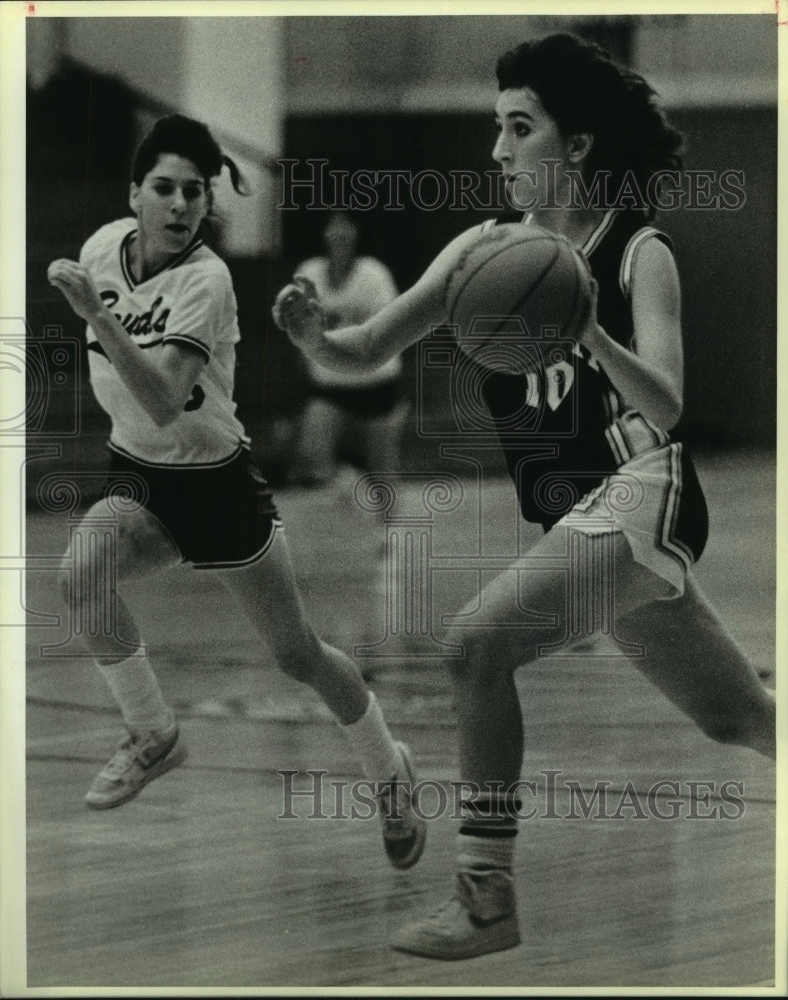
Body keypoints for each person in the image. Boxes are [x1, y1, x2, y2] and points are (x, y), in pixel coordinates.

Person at [273, 34, 776, 960]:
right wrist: (314, 334)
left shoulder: (635, 248)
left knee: (473, 644)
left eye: (519, 128)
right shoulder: (482, 252)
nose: (498, 152)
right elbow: (368, 347)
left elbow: (666, 404)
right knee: (738, 717)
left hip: (644, 489)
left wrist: (590, 333)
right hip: (578, 515)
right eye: (494, 130)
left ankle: (484, 898)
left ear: (574, 146)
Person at [47, 114, 426, 871]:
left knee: (298, 655)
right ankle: (154, 734)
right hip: (141, 477)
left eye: (194, 191)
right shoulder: (101, 251)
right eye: (164, 188)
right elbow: (141, 422)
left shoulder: (207, 278)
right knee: (78, 577)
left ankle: (391, 772)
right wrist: (98, 302)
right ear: (135, 193)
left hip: (217, 486)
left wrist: (95, 315)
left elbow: (161, 398)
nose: (180, 204)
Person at [291, 211, 408, 488]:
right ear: (323, 233)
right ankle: (349, 485)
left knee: (384, 472)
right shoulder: (309, 272)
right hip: (329, 385)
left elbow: (388, 329)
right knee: (313, 457)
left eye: (347, 225)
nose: (339, 232)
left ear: (358, 233)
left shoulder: (375, 274)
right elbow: (298, 328)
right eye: (333, 225)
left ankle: (390, 527)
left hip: (376, 383)